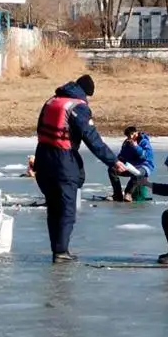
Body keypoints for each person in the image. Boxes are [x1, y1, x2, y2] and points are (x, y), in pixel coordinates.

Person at [34, 74, 126, 263]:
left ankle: (58, 249)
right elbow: (92, 139)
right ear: (85, 93)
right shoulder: (78, 107)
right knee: (67, 209)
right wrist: (113, 161)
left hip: (42, 158)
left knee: (53, 207)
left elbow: (40, 128)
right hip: (63, 160)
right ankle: (61, 252)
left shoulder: (52, 101)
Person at [108, 125, 155, 202]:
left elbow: (146, 156)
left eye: (132, 134)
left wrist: (136, 147)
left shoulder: (144, 142)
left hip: (144, 166)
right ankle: (118, 194)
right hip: (131, 166)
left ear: (136, 133)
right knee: (112, 170)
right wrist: (117, 162)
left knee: (137, 172)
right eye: (128, 136)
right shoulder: (126, 143)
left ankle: (128, 193)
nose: (130, 137)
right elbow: (122, 156)